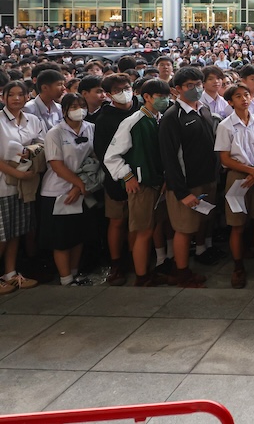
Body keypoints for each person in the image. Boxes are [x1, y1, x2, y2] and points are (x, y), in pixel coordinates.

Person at [103, 79, 171, 287]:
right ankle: (142, 276)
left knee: (153, 227)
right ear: (146, 97)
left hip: (157, 182)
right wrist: (127, 176)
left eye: (166, 96)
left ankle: (148, 270)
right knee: (143, 231)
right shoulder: (133, 121)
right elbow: (111, 156)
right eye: (159, 97)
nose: (164, 100)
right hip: (142, 184)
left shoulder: (159, 118)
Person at [159, 66, 217, 288]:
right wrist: (181, 192)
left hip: (206, 179)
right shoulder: (172, 117)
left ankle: (194, 260)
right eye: (189, 85)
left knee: (199, 225)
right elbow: (169, 158)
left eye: (198, 84)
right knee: (184, 230)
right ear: (177, 89)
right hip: (186, 185)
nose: (196, 89)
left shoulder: (204, 110)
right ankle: (180, 273)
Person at [40, 93, 96, 287]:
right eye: (73, 107)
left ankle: (74, 273)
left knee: (78, 235)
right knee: (61, 238)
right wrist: (79, 184)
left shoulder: (91, 128)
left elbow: (93, 158)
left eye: (82, 105)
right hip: (58, 191)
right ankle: (65, 279)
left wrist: (80, 186)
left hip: (81, 189)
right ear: (64, 111)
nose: (79, 110)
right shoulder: (55, 133)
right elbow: (57, 165)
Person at [214, 83, 254, 289]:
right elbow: (225, 158)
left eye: (246, 95)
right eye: (238, 96)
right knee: (237, 224)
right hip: (237, 176)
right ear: (230, 102)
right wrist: (249, 171)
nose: (244, 99)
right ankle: (238, 267)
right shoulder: (226, 125)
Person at [93, 73, 140, 287]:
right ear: (109, 95)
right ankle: (116, 263)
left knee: (137, 222)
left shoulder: (140, 108)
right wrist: (123, 175)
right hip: (116, 177)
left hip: (142, 175)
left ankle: (135, 257)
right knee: (117, 220)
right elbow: (103, 154)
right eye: (118, 90)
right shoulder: (105, 119)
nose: (124, 93)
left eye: (126, 88)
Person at [0, 81, 44, 293]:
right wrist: (16, 173)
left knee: (15, 231)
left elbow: (42, 143)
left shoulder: (32, 120)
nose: (16, 98)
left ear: (28, 96)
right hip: (3, 184)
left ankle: (10, 273)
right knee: (1, 235)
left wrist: (30, 151)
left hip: (25, 184)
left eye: (21, 94)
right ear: (3, 97)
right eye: (11, 95)